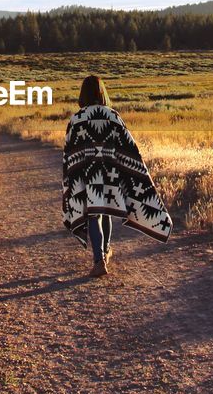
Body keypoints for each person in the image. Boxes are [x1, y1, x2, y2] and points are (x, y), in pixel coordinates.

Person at [62, 75, 172, 277]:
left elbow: (69, 151)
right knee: (106, 210)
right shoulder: (113, 116)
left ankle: (99, 260)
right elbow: (129, 146)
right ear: (102, 93)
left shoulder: (77, 119)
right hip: (111, 173)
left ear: (83, 94)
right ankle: (105, 251)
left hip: (89, 174)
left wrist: (72, 178)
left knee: (94, 213)